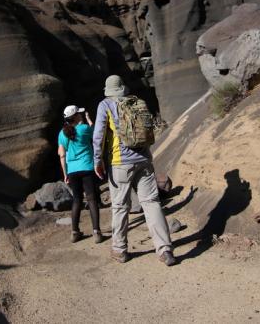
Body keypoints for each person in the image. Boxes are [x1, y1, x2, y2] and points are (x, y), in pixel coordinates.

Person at [92, 75, 176, 266]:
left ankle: (120, 250)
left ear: (108, 89)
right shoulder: (137, 102)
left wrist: (98, 160)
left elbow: (98, 135)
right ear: (123, 87)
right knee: (152, 203)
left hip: (120, 162)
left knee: (121, 206)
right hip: (144, 160)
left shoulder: (105, 105)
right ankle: (165, 250)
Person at [58, 104, 104, 244]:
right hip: (87, 167)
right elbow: (96, 133)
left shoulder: (62, 133)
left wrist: (65, 173)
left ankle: (75, 232)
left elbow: (62, 155)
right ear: (76, 116)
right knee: (91, 199)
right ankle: (96, 232)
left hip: (72, 170)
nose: (81, 115)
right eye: (79, 113)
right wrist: (89, 120)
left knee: (77, 200)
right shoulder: (84, 129)